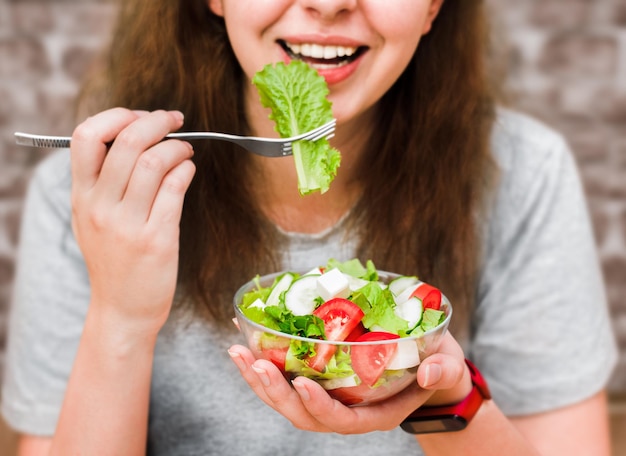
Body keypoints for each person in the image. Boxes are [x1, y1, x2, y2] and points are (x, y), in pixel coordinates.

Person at [1, 0, 618, 454]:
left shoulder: (521, 174)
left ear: (433, 6)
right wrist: (120, 317)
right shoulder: (100, 194)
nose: (329, 4)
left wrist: (443, 395)